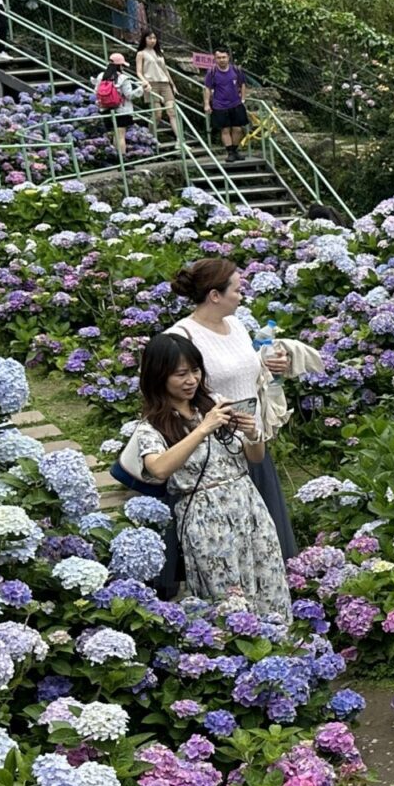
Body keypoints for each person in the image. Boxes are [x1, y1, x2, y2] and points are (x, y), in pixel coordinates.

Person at [122, 332, 290, 620]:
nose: (191, 380)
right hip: (205, 519)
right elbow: (159, 468)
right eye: (180, 374)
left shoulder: (215, 402)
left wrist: (252, 434)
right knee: (227, 601)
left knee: (269, 585)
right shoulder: (152, 426)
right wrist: (202, 430)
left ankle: (280, 652)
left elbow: (255, 457)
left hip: (248, 507)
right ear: (158, 376)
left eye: (195, 371)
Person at [168, 257, 298, 558]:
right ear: (215, 295)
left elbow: (239, 369)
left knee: (266, 532)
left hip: (252, 438)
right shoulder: (180, 336)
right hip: (215, 448)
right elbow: (174, 389)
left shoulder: (237, 325)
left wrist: (265, 363)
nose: (242, 296)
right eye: (237, 290)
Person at [201, 49, 249, 162]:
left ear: (228, 58)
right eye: (219, 57)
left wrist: (243, 98)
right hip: (220, 105)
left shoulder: (236, 70)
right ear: (215, 59)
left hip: (236, 103)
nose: (222, 60)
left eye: (224, 57)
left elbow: (242, 84)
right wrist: (207, 104)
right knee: (225, 130)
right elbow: (207, 88)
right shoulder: (212, 72)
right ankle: (230, 152)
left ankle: (235, 150)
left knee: (238, 129)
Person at [95, 53, 143, 157]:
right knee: (120, 136)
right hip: (122, 109)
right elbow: (129, 95)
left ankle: (116, 158)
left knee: (115, 135)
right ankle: (123, 159)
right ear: (120, 66)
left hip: (106, 109)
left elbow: (97, 91)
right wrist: (142, 89)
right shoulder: (123, 78)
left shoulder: (101, 77)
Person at [135, 30, 176, 139]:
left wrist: (172, 84)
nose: (152, 40)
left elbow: (165, 70)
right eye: (150, 38)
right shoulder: (141, 53)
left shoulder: (159, 52)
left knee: (172, 112)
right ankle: (151, 137)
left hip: (165, 83)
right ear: (145, 39)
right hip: (151, 84)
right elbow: (138, 71)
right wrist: (144, 81)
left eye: (154, 38)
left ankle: (180, 140)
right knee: (157, 114)